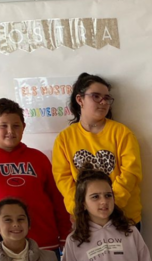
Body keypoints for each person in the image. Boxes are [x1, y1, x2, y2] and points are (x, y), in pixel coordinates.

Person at [0, 98, 70, 257]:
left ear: (23, 127)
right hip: (4, 247)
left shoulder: (38, 158)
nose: (10, 131)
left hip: (45, 243)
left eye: (16, 125)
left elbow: (57, 200)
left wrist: (65, 234)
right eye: (3, 126)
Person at [52, 73, 143, 227]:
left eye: (106, 98)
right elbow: (63, 180)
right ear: (80, 99)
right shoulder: (64, 138)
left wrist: (110, 205)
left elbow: (131, 173)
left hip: (123, 217)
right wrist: (79, 209)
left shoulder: (122, 133)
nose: (103, 102)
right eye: (96, 96)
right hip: (86, 219)